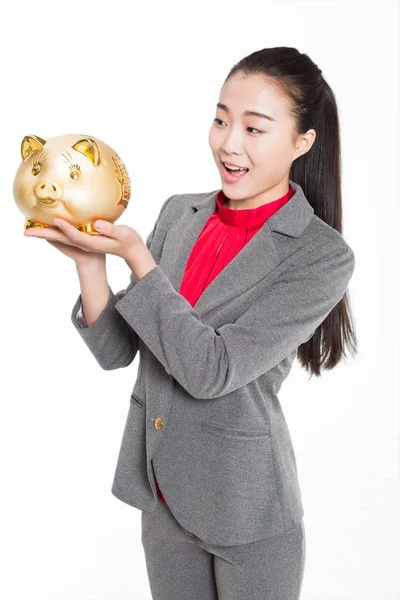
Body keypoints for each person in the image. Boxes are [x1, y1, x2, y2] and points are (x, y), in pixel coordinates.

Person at [24, 46, 357, 600]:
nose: (229, 143)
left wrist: (138, 259)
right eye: (221, 119)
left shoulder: (321, 256)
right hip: (163, 494)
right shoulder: (181, 213)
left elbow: (211, 370)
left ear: (302, 142)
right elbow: (116, 351)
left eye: (255, 128)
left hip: (248, 510)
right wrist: (90, 262)